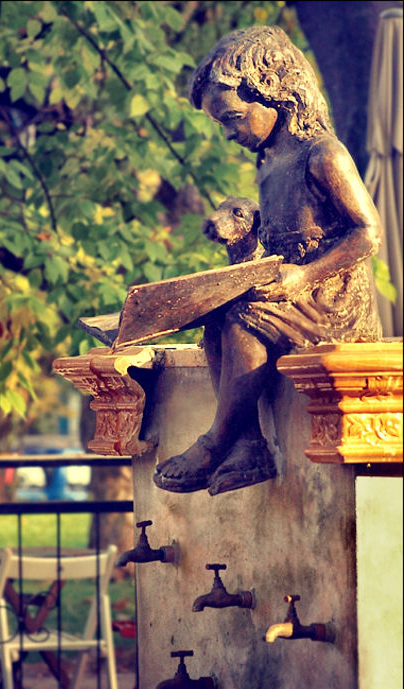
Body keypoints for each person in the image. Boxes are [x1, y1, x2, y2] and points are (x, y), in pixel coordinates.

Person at [153, 25, 382, 496]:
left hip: (332, 301)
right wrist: (244, 232)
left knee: (245, 318)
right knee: (216, 316)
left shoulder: (324, 155)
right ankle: (248, 445)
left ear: (273, 93)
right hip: (293, 290)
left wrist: (304, 276)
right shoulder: (270, 164)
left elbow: (368, 233)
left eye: (233, 118)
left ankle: (217, 442)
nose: (229, 134)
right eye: (222, 124)